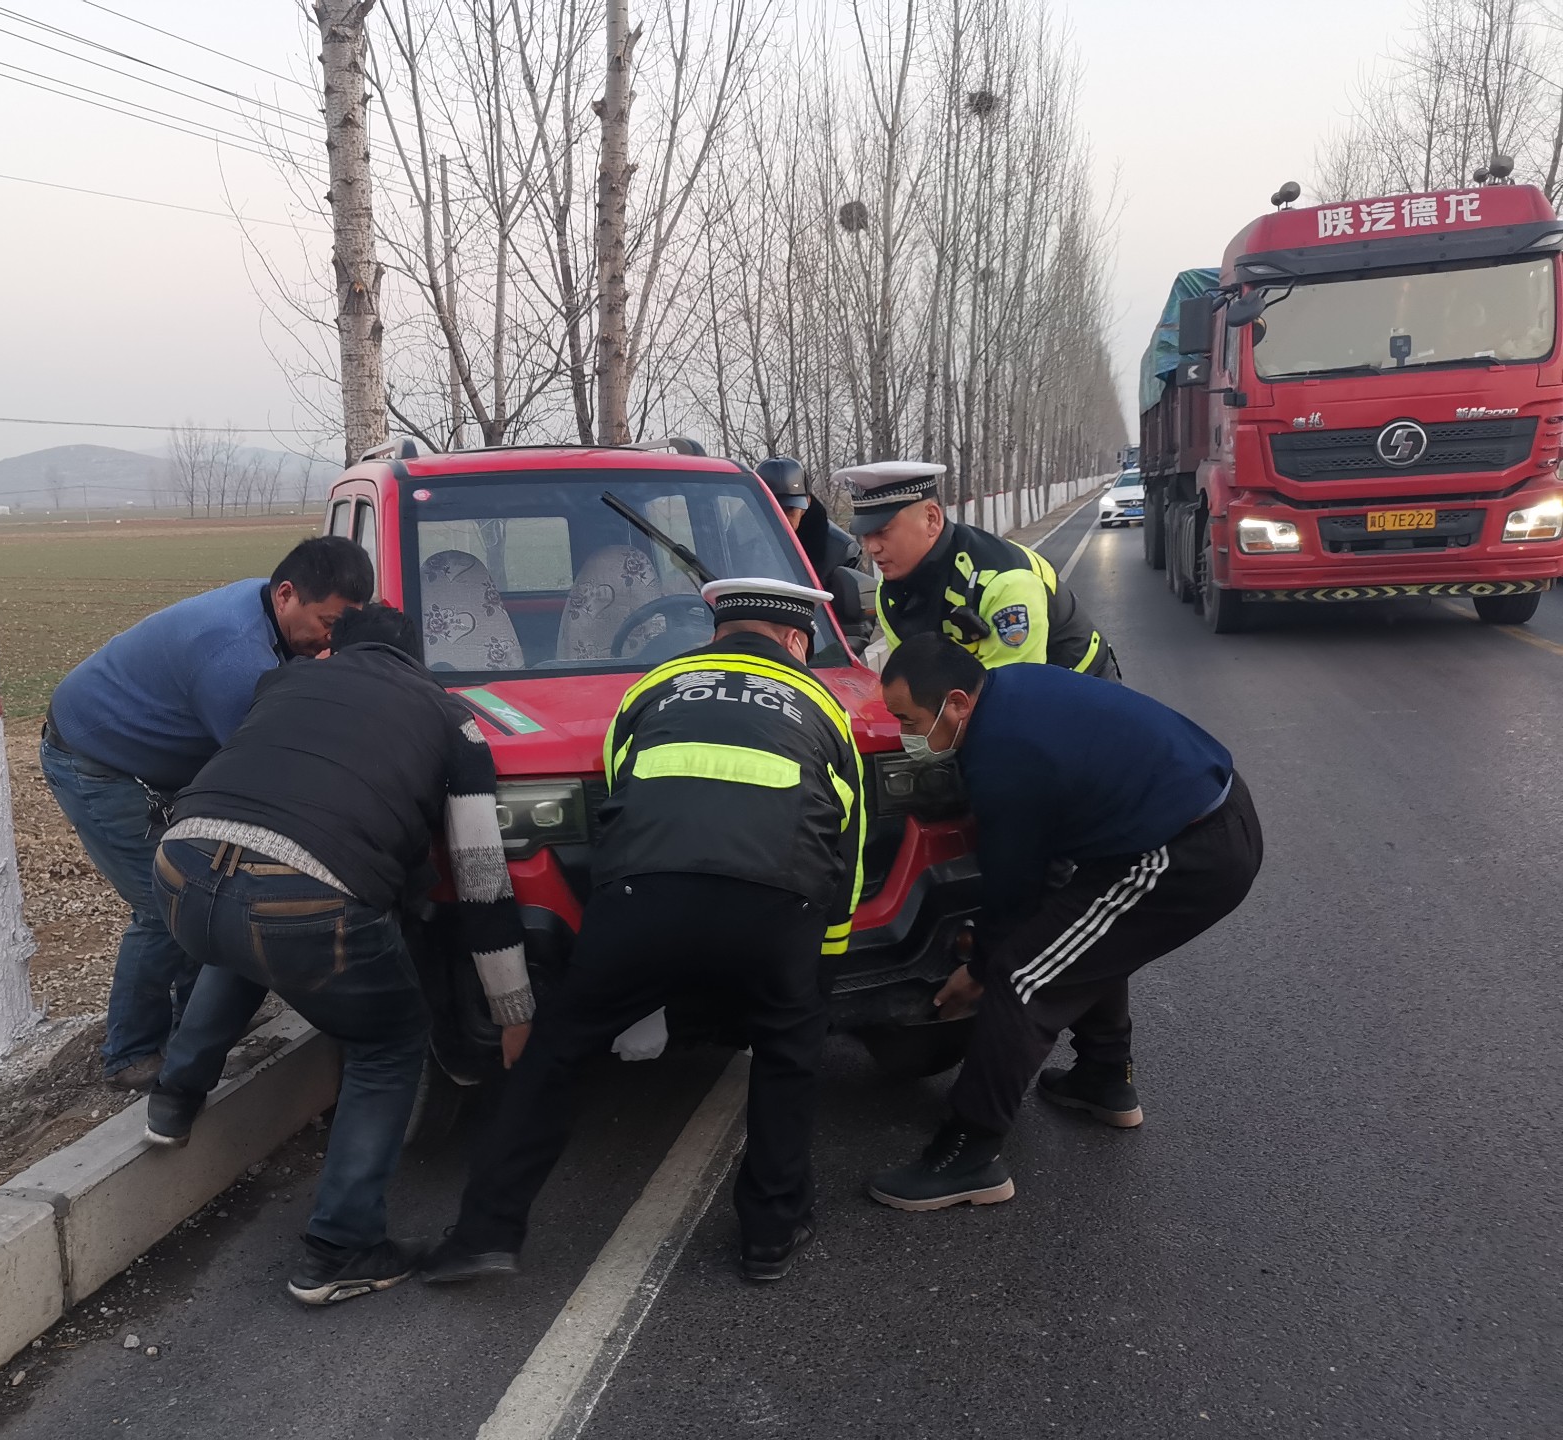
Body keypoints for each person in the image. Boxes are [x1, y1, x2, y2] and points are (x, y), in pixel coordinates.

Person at [422, 578, 864, 1287]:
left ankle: (484, 1234)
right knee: (789, 1050)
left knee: (557, 1051)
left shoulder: (652, 687)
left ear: (717, 633)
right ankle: (770, 1235)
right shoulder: (822, 705)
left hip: (644, 896)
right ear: (795, 641)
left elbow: (616, 800)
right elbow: (848, 846)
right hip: (776, 903)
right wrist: (822, 971)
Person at [144, 601, 533, 1306]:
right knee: (389, 1041)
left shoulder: (282, 683)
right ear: (418, 661)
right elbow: (481, 878)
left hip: (180, 868)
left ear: (332, 651)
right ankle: (340, 1249)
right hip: (307, 898)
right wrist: (512, 1009)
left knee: (242, 935)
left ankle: (173, 1099)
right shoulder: (453, 721)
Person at [864, 637, 1263, 1212]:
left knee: (1022, 977)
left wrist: (979, 969)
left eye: (909, 720)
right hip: (1194, 812)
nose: (906, 734)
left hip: (1187, 850)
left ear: (956, 703)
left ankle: (968, 1155)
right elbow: (1045, 870)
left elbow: (1012, 886)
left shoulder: (1002, 756)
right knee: (1080, 936)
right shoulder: (1010, 687)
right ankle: (1103, 1077)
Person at [41, 536, 374, 1090]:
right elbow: (261, 774)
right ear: (286, 594)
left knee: (202, 893)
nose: (331, 640)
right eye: (327, 623)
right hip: (97, 763)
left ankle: (190, 1032)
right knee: (166, 906)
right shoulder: (234, 656)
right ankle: (130, 1055)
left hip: (162, 760)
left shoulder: (272, 615)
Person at [839, 460, 1119, 678]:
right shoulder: (889, 596)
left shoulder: (1003, 581)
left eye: (882, 532)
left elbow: (1013, 696)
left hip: (1080, 689)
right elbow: (916, 682)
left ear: (931, 519)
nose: (871, 548)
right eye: (865, 535)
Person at [758, 456, 869, 609]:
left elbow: (854, 614)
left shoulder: (841, 552)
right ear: (757, 508)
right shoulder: (735, 543)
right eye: (773, 510)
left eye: (790, 510)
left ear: (807, 503)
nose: (782, 518)